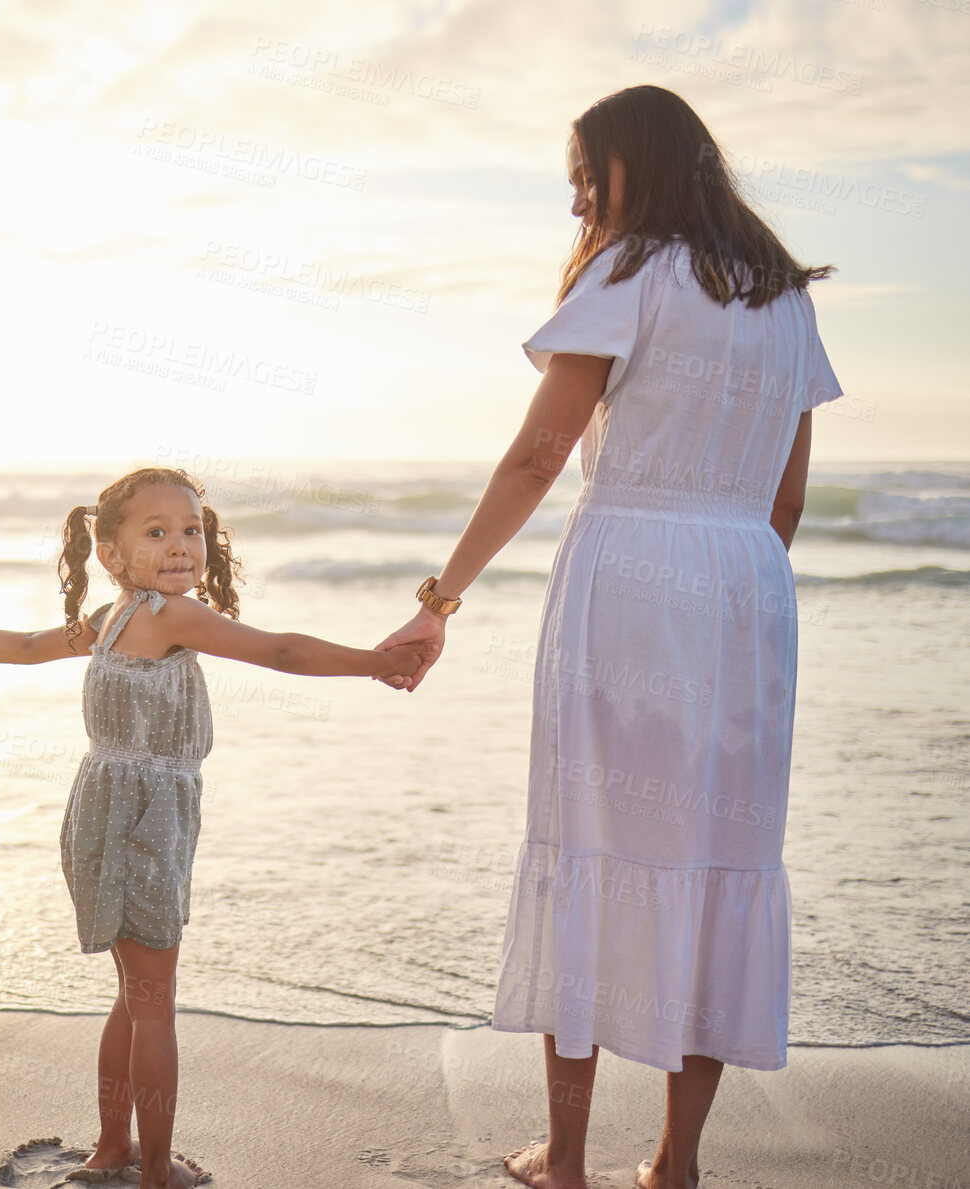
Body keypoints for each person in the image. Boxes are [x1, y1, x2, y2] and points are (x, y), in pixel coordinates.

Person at [376, 85, 839, 1189]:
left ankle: (566, 1157)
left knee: (589, 845)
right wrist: (733, 583)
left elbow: (536, 459)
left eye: (586, 172)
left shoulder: (625, 274)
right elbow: (785, 501)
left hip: (628, 576)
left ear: (637, 162)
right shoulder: (783, 298)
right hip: (744, 593)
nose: (576, 196)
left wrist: (437, 598)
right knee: (717, 856)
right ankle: (673, 1161)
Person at [0, 467, 433, 1189]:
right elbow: (278, 650)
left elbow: (25, 646)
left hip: (98, 810)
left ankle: (114, 1145)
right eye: (157, 532)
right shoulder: (168, 617)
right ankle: (155, 1171)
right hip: (146, 824)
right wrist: (375, 663)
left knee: (133, 992)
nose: (182, 546)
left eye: (191, 530)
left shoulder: (114, 617)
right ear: (111, 554)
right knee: (155, 1006)